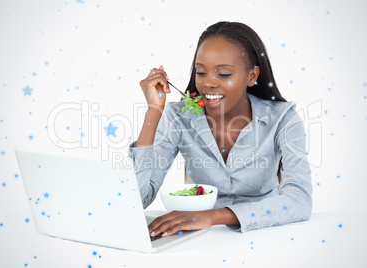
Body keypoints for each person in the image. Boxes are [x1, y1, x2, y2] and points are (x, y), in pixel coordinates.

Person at [128, 21, 313, 238]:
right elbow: (136, 199)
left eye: (223, 74)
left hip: (265, 234)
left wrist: (212, 216)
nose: (208, 84)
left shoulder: (283, 119)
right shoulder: (178, 118)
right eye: (200, 72)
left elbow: (300, 201)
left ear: (252, 76)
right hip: (198, 238)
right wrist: (153, 111)